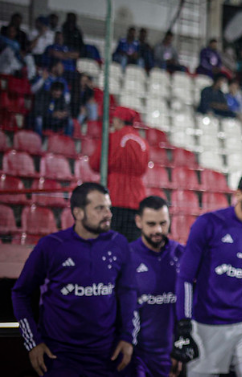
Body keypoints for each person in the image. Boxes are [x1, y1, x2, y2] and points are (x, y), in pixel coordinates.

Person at [11, 182, 138, 377]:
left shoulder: (119, 243)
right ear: (78, 213)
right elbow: (20, 293)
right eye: (99, 208)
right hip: (59, 357)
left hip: (105, 357)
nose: (108, 214)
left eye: (108, 207)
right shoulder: (52, 246)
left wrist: (128, 338)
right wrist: (33, 343)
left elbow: (128, 292)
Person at [171, 170, 242, 377]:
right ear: (238, 194)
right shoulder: (208, 224)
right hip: (207, 325)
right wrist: (184, 325)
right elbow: (185, 277)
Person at [129, 195, 185, 377]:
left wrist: (180, 347)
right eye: (151, 224)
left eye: (163, 223)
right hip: (137, 355)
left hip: (173, 354)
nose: (158, 230)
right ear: (139, 221)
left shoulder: (181, 254)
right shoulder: (127, 256)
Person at [90, 106, 150, 242]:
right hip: (137, 198)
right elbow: (144, 169)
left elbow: (95, 163)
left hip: (114, 195)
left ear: (118, 120)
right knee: (131, 244)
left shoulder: (111, 137)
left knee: (110, 241)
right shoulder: (142, 141)